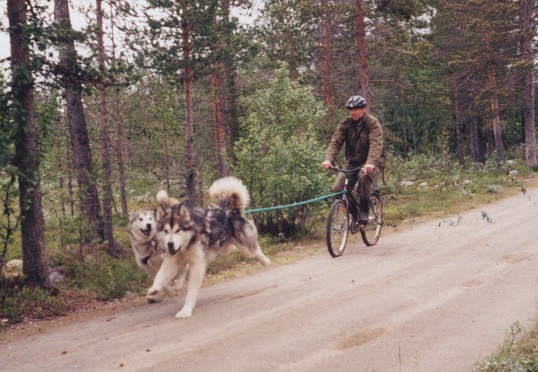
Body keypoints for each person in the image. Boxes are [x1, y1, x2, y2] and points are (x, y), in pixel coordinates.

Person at [321, 95, 386, 225]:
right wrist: (328, 159)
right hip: (353, 162)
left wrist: (370, 162)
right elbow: (335, 142)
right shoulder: (346, 124)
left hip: (373, 161)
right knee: (338, 190)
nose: (353, 112)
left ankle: (364, 210)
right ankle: (355, 215)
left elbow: (376, 144)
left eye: (356, 109)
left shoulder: (372, 123)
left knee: (363, 176)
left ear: (364, 109)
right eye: (350, 109)